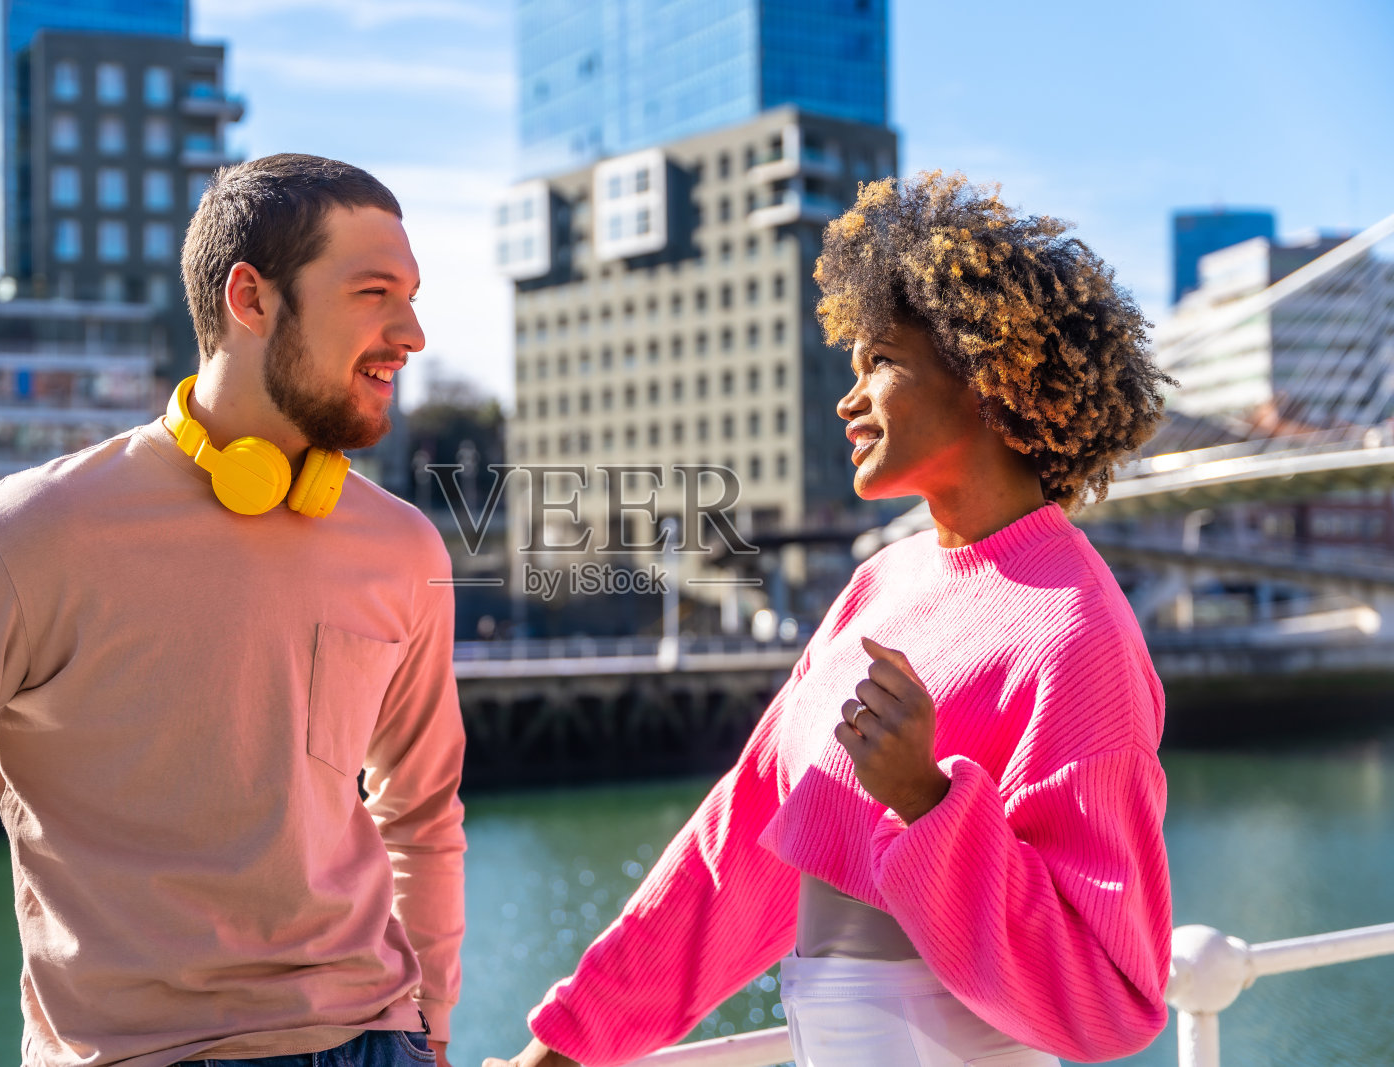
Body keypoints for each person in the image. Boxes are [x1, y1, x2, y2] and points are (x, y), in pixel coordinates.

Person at [487, 171, 1175, 1067]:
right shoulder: (876, 587)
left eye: (881, 361)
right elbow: (737, 848)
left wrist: (927, 800)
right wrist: (563, 1050)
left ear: (987, 375)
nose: (848, 400)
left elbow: (1113, 1003)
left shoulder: (1076, 632)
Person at [0, 155, 465, 1067]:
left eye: (412, 295)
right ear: (251, 299)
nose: (412, 332)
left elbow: (421, 815)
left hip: (378, 1043)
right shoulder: (23, 537)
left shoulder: (405, 548)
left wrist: (432, 1031)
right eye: (374, 292)